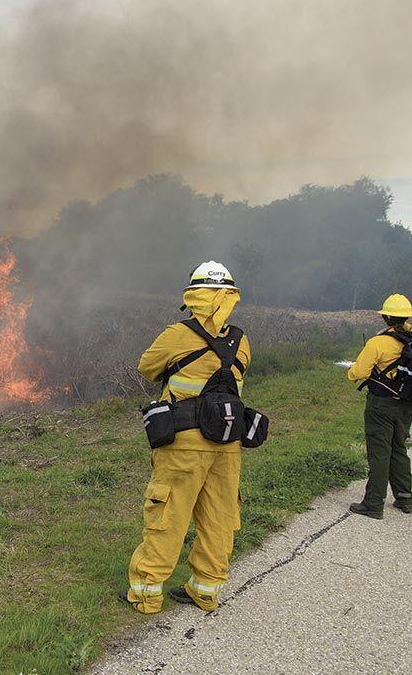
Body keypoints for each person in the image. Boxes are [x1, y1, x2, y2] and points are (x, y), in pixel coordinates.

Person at [121, 261, 250, 613]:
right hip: (228, 444)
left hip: (184, 444)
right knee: (219, 517)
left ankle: (146, 593)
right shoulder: (241, 341)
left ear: (193, 297)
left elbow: (147, 367)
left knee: (168, 514)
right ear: (230, 298)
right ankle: (205, 589)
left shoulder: (178, 335)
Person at [345, 294, 412, 519]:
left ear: (385, 317)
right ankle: (405, 498)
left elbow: (359, 373)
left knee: (379, 452)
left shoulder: (378, 342)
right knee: (398, 448)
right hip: (406, 404)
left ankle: (373, 503)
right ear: (407, 317)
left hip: (381, 405)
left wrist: (351, 370)